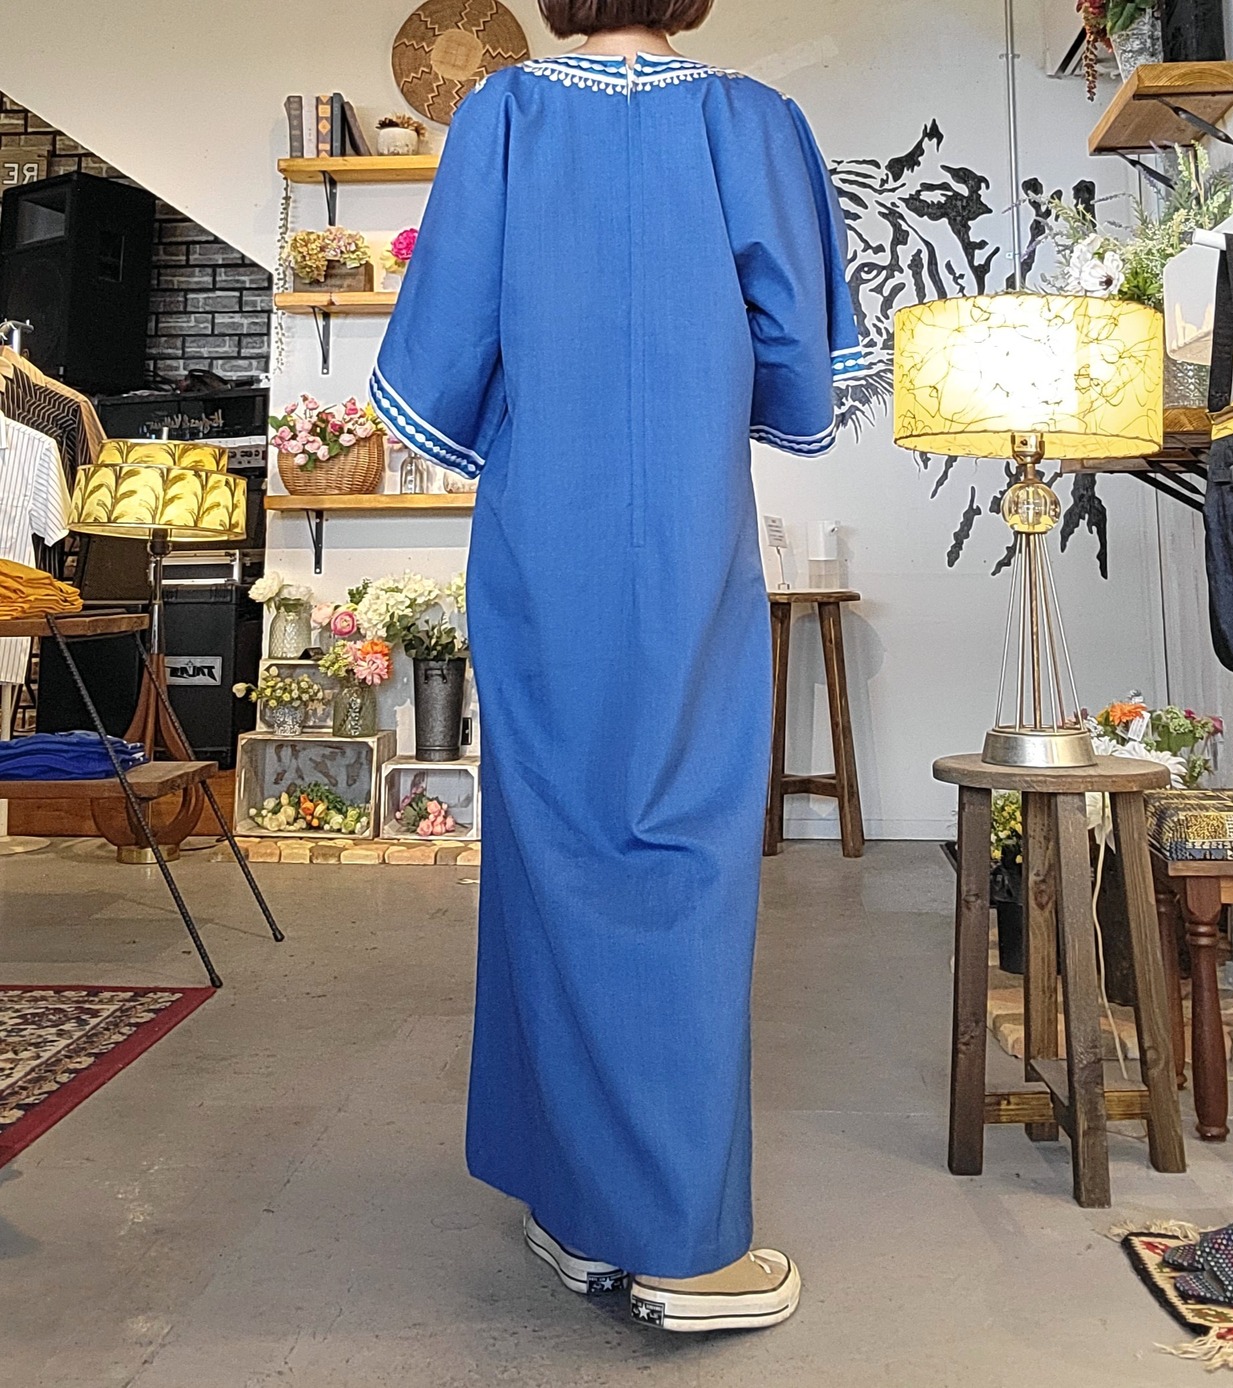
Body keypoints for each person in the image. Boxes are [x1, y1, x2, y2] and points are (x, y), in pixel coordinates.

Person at [372, 0, 859, 1334]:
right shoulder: (751, 121)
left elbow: (442, 350)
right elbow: (797, 362)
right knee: (685, 840)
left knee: (553, 839)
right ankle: (674, 1245)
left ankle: (589, 1214)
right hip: (690, 529)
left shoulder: (504, 116)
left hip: (542, 531)